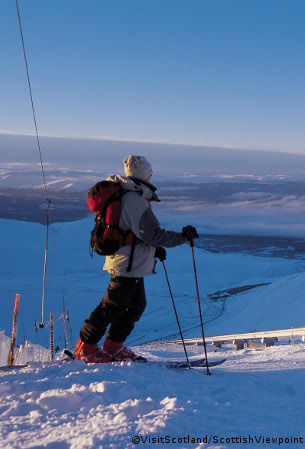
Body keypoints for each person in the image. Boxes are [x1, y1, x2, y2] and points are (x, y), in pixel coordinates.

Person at [75, 155, 198, 363]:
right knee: (111, 307)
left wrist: (153, 250)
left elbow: (137, 233)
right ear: (146, 175)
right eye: (150, 173)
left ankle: (113, 347)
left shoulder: (130, 195)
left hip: (132, 262)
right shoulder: (135, 200)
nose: (151, 177)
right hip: (127, 264)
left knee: (135, 306)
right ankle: (86, 349)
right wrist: (183, 238)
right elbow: (152, 234)